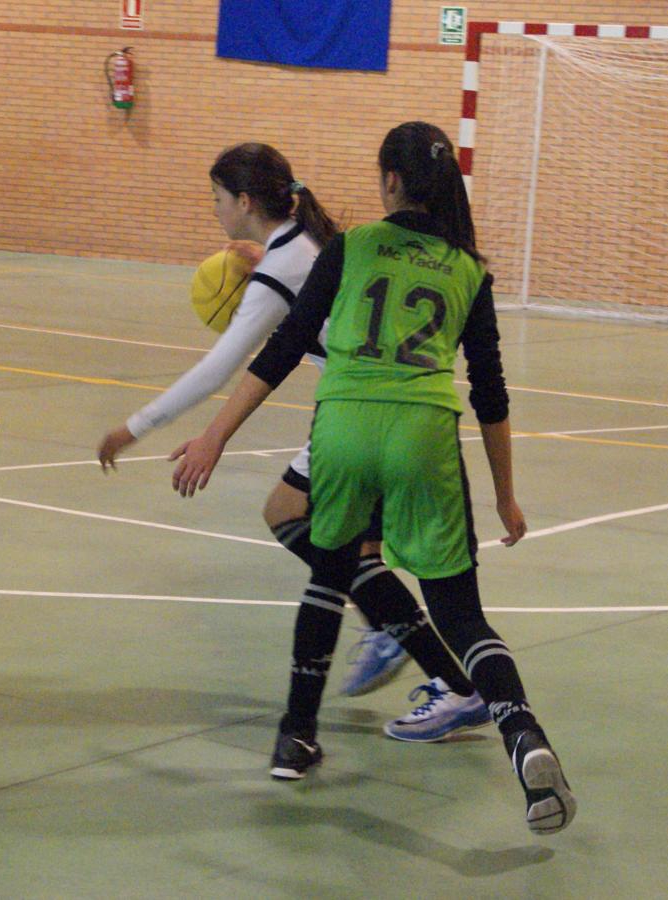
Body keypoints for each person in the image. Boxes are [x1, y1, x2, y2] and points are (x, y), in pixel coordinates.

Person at [171, 122, 576, 835]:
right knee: (461, 614)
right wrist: (505, 496)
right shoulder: (466, 269)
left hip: (345, 430)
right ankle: (523, 736)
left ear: (388, 181)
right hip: (421, 433)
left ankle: (294, 737)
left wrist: (213, 433)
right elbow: (490, 394)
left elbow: (283, 348)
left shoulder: (351, 247)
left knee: (329, 577)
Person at [99, 143, 490, 769]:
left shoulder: (288, 264)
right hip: (385, 410)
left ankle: (401, 678)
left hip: (360, 410)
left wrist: (135, 427)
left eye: (219, 200)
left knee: (299, 526)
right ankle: (421, 662)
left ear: (245, 202)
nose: (217, 212)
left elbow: (223, 365)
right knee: (326, 540)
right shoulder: (296, 248)